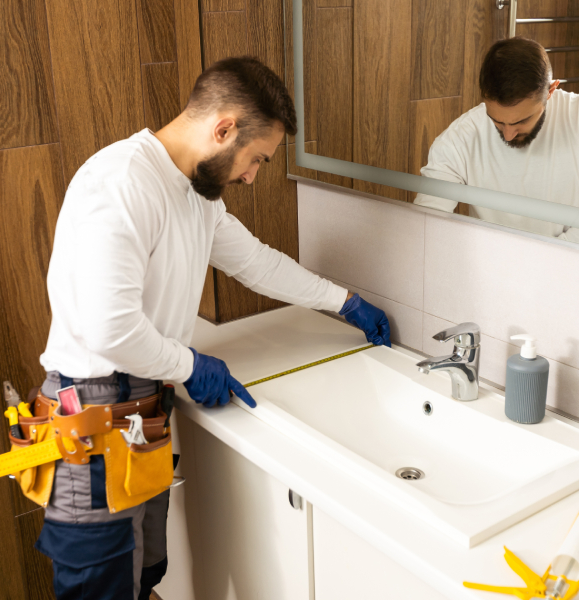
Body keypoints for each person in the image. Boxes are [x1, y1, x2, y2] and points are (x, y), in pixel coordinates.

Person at [33, 56, 391, 600]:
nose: (251, 175)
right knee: (98, 588)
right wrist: (190, 364)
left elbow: (255, 262)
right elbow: (111, 329)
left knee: (144, 576)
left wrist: (343, 302)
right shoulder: (121, 183)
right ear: (223, 128)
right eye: (255, 159)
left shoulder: (195, 195)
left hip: (142, 408)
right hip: (93, 416)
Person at [414, 37, 579, 242]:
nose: (508, 135)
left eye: (521, 121)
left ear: (550, 91)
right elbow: (426, 221)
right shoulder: (458, 139)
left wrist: (538, 262)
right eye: (497, 122)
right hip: (489, 263)